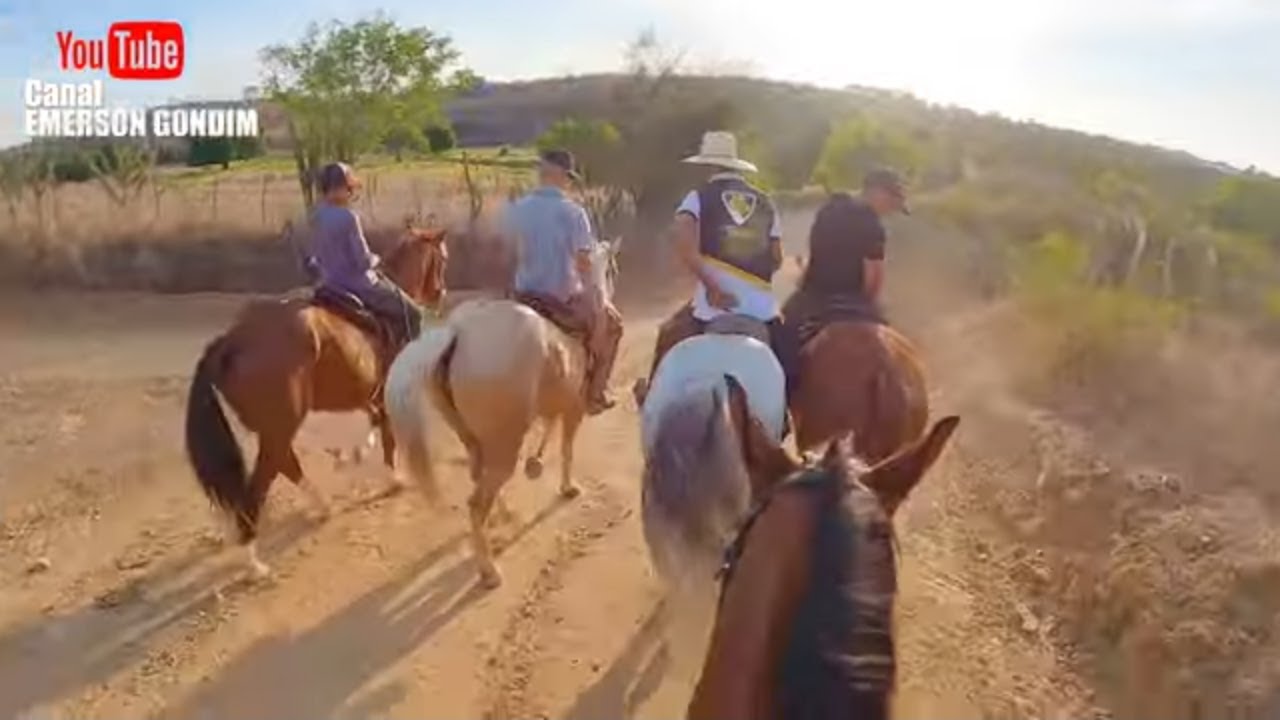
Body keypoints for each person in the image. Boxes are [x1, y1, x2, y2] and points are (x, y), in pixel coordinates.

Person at [643, 130, 788, 384]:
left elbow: (684, 248)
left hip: (711, 309)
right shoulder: (766, 203)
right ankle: (786, 413)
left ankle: (651, 395)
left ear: (708, 166)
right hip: (760, 311)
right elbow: (777, 258)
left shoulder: (697, 198)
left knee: (668, 337)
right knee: (789, 361)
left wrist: (714, 288)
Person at [507, 149, 623, 415]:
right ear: (561, 176)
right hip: (559, 298)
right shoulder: (572, 213)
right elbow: (584, 262)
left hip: (522, 295)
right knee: (614, 326)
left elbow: (506, 254)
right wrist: (597, 300)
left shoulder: (517, 210)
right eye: (568, 178)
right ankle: (595, 394)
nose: (569, 183)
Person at [779, 167, 910, 353]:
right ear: (878, 192)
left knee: (779, 338)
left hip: (814, 297)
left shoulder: (828, 210)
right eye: (893, 202)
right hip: (854, 300)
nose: (890, 210)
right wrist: (869, 305)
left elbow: (816, 252)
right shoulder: (873, 225)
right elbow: (874, 276)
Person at [309, 162, 424, 343]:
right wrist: (376, 259)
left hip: (328, 285)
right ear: (340, 188)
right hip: (358, 286)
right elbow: (362, 261)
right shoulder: (349, 217)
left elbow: (315, 257)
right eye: (349, 188)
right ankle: (412, 365)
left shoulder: (316, 216)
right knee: (414, 314)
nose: (350, 193)